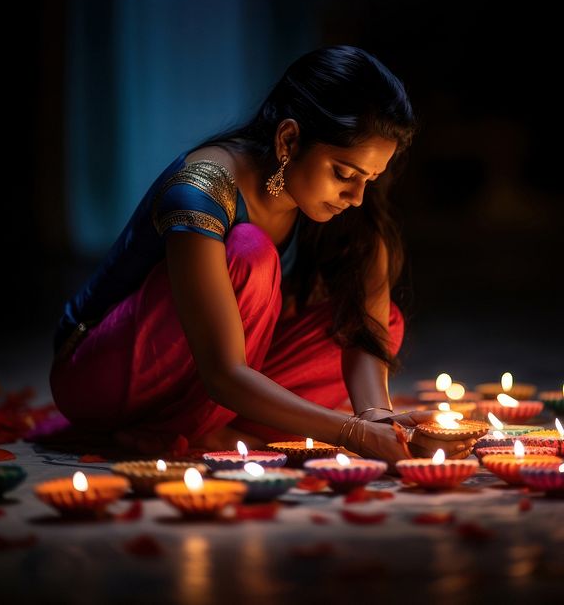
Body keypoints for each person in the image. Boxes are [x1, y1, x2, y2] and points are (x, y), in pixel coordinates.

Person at [49, 45, 478, 466]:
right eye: (345, 174)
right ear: (289, 139)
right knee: (252, 255)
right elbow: (222, 373)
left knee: (378, 322)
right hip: (101, 371)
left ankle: (186, 430)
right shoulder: (202, 190)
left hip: (208, 372)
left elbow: (360, 349)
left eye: (370, 178)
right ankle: (192, 429)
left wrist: (380, 421)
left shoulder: (328, 203)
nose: (356, 196)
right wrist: (351, 433)